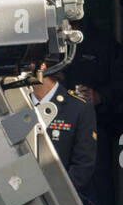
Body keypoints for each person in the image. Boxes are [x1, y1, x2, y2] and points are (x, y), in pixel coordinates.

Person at [31, 62, 99, 194]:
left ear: (43, 67)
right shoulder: (11, 102)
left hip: (61, 199)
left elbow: (83, 165)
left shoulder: (78, 107)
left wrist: (58, 194)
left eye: (29, 64)